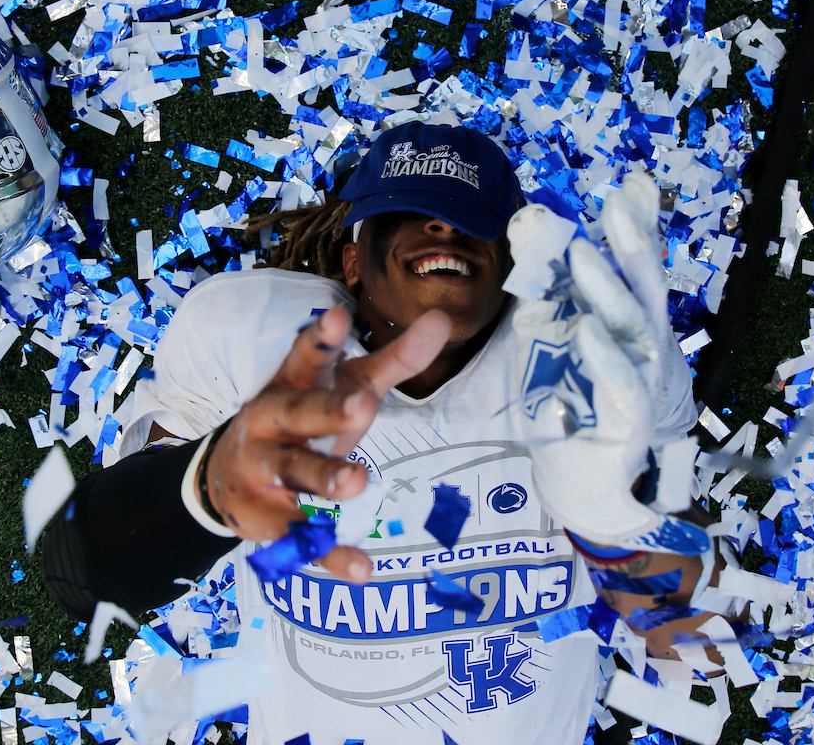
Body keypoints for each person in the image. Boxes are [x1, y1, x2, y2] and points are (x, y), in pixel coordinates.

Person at [42, 121, 731, 745]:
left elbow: (690, 643)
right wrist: (209, 485)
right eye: (409, 215)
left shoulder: (576, 380)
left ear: (513, 268)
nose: (442, 230)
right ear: (352, 262)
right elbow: (87, 576)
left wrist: (611, 523)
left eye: (473, 221)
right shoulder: (262, 346)